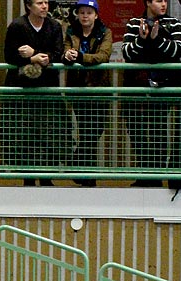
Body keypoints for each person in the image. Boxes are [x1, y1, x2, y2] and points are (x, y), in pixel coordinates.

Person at [122, 0, 181, 185]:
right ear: (148, 3)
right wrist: (141, 39)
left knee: (159, 132)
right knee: (137, 133)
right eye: (158, 0)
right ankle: (145, 176)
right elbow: (127, 53)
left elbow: (179, 51)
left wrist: (157, 39)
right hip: (136, 88)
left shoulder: (173, 23)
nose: (163, 4)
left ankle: (157, 176)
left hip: (162, 87)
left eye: (165, 0)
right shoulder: (134, 23)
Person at [2, 0, 64, 184]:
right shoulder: (17, 26)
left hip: (48, 89)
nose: (44, 6)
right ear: (29, 6)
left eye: (46, 2)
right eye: (39, 3)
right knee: (23, 135)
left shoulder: (54, 26)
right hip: (22, 89)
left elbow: (58, 52)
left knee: (50, 134)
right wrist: (32, 58)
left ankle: (47, 178)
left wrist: (35, 54)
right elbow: (9, 56)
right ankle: (27, 177)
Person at [62, 0, 112, 181]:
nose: (85, 16)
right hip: (78, 88)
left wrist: (82, 57)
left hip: (98, 89)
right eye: (81, 12)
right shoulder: (70, 31)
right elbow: (65, 50)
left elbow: (104, 56)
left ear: (96, 15)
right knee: (85, 130)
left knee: (95, 131)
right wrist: (67, 55)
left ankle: (77, 165)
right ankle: (87, 176)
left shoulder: (104, 32)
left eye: (89, 12)